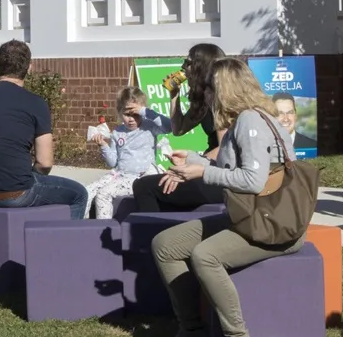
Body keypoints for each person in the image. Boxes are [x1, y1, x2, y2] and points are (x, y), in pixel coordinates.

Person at [152, 57, 305, 337]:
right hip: (250, 216)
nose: (205, 94)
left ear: (224, 90)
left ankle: (236, 334)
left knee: (205, 256)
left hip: (273, 225)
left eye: (209, 88)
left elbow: (252, 180)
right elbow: (233, 169)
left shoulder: (251, 122)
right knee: (165, 245)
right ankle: (192, 329)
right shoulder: (247, 119)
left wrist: (201, 173)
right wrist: (194, 160)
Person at [0, 40, 87, 219]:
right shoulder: (35, 103)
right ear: (30, 68)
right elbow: (45, 162)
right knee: (79, 194)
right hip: (15, 194)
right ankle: (64, 245)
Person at [132, 43, 227, 213]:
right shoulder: (205, 97)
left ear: (201, 66)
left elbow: (224, 148)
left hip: (221, 176)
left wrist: (189, 167)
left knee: (144, 186)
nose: (183, 67)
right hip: (208, 167)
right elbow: (178, 129)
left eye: (188, 62)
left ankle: (151, 236)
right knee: (159, 184)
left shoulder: (221, 98)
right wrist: (174, 96)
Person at [87, 88, 169, 219]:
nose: (131, 119)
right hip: (120, 175)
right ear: (120, 112)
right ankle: (78, 227)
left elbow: (169, 127)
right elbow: (113, 162)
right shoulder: (117, 132)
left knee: (103, 194)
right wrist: (103, 146)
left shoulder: (149, 127)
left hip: (141, 178)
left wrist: (145, 112)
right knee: (88, 191)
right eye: (127, 114)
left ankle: (103, 231)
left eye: (136, 114)